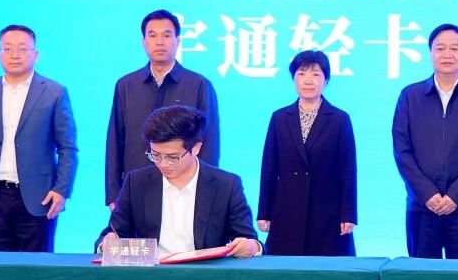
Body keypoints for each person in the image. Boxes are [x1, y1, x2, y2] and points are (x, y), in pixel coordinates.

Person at [0, 24, 77, 252]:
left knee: (37, 268)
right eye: (8, 48)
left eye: (23, 49)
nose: (15, 54)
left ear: (36, 54)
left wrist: (62, 189)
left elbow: (67, 147)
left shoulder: (54, 92)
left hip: (39, 197)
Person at [96, 105, 259, 258]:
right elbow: (112, 234)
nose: (163, 164)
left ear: (195, 148)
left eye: (172, 157)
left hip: (206, 273)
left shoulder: (226, 185)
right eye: (155, 155)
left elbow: (248, 239)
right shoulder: (136, 183)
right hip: (152, 273)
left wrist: (251, 247)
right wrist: (107, 244)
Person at [392, 23, 458, 259]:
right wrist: (427, 194)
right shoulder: (410, 96)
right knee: (420, 275)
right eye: (440, 48)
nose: (447, 54)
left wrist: (456, 196)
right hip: (422, 206)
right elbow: (402, 150)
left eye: (454, 48)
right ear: (430, 53)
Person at [105, 9, 219, 208]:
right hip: (136, 188)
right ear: (144, 42)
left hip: (185, 188)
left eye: (167, 35)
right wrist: (114, 194)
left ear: (178, 41)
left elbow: (209, 142)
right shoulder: (126, 85)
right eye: (152, 35)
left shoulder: (199, 85)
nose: (160, 42)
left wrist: (206, 191)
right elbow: (115, 140)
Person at [257, 50, 358, 255]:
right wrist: (264, 211)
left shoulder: (339, 119)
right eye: (301, 74)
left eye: (316, 74)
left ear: (326, 80)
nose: (308, 80)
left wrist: (348, 214)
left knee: (327, 268)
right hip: (287, 207)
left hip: (327, 209)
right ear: (293, 78)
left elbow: (348, 171)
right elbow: (269, 168)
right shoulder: (279, 118)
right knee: (285, 267)